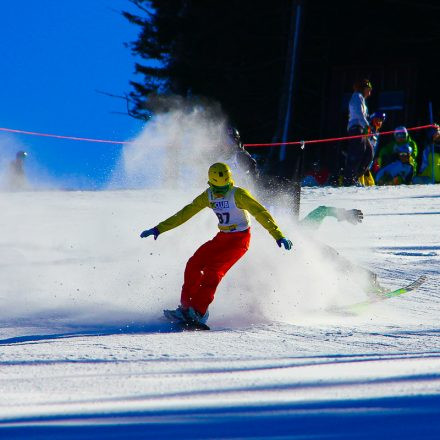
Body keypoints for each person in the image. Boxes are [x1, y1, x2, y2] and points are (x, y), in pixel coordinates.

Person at [140, 162, 293, 327]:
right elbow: (185, 213)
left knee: (213, 271)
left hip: (239, 240)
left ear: (229, 181)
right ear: (211, 183)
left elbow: (260, 212)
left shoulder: (238, 194)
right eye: (216, 189)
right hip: (222, 237)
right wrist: (158, 229)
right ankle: (186, 308)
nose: (219, 193)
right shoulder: (209, 195)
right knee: (194, 263)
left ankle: (198, 312)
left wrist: (278, 235)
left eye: (223, 189)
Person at [300, 206, 383, 294]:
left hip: (319, 252)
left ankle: (370, 284)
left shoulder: (298, 229)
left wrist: (344, 214)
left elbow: (321, 211)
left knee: (337, 265)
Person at [343, 78, 373, 186]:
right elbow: (359, 115)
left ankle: (355, 177)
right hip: (356, 128)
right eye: (368, 90)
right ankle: (349, 179)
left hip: (361, 129)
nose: (369, 93)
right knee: (358, 152)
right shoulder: (357, 96)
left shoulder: (361, 98)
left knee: (369, 152)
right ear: (363, 88)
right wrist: (367, 126)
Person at [359, 111, 386, 186]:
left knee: (371, 185)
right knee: (361, 185)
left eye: (381, 120)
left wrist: (375, 161)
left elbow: (374, 148)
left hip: (368, 164)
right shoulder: (368, 129)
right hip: (361, 164)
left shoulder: (377, 134)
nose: (379, 122)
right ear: (372, 120)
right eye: (377, 120)